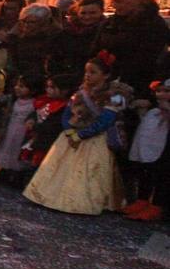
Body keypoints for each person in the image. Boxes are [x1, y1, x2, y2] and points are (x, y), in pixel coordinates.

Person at [24, 53, 128, 215]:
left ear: (106, 75)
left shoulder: (113, 95)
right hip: (72, 135)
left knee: (88, 171)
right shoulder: (81, 92)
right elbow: (67, 112)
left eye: (93, 72)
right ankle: (51, 195)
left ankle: (80, 201)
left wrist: (82, 134)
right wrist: (69, 130)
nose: (87, 75)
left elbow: (106, 120)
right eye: (86, 71)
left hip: (94, 139)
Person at [91, 0, 170, 97]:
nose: (115, 5)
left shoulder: (153, 24)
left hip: (134, 86)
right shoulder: (110, 23)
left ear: (138, 0)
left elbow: (146, 59)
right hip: (103, 81)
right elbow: (95, 49)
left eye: (120, 1)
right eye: (114, 1)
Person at [123, 77, 170, 221]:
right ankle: (142, 199)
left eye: (166, 91)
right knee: (146, 167)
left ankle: (157, 204)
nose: (161, 94)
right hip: (156, 135)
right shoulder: (154, 112)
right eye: (159, 91)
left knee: (163, 171)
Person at [0, 73, 38, 185]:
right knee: (4, 149)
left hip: (22, 132)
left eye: (22, 86)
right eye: (17, 85)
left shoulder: (35, 104)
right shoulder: (12, 100)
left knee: (17, 153)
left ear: (32, 90)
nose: (17, 88)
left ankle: (14, 177)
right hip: (9, 129)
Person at [50, 0, 104, 77]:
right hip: (65, 76)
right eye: (83, 13)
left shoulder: (105, 32)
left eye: (93, 13)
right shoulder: (67, 31)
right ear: (78, 12)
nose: (87, 17)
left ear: (101, 11)